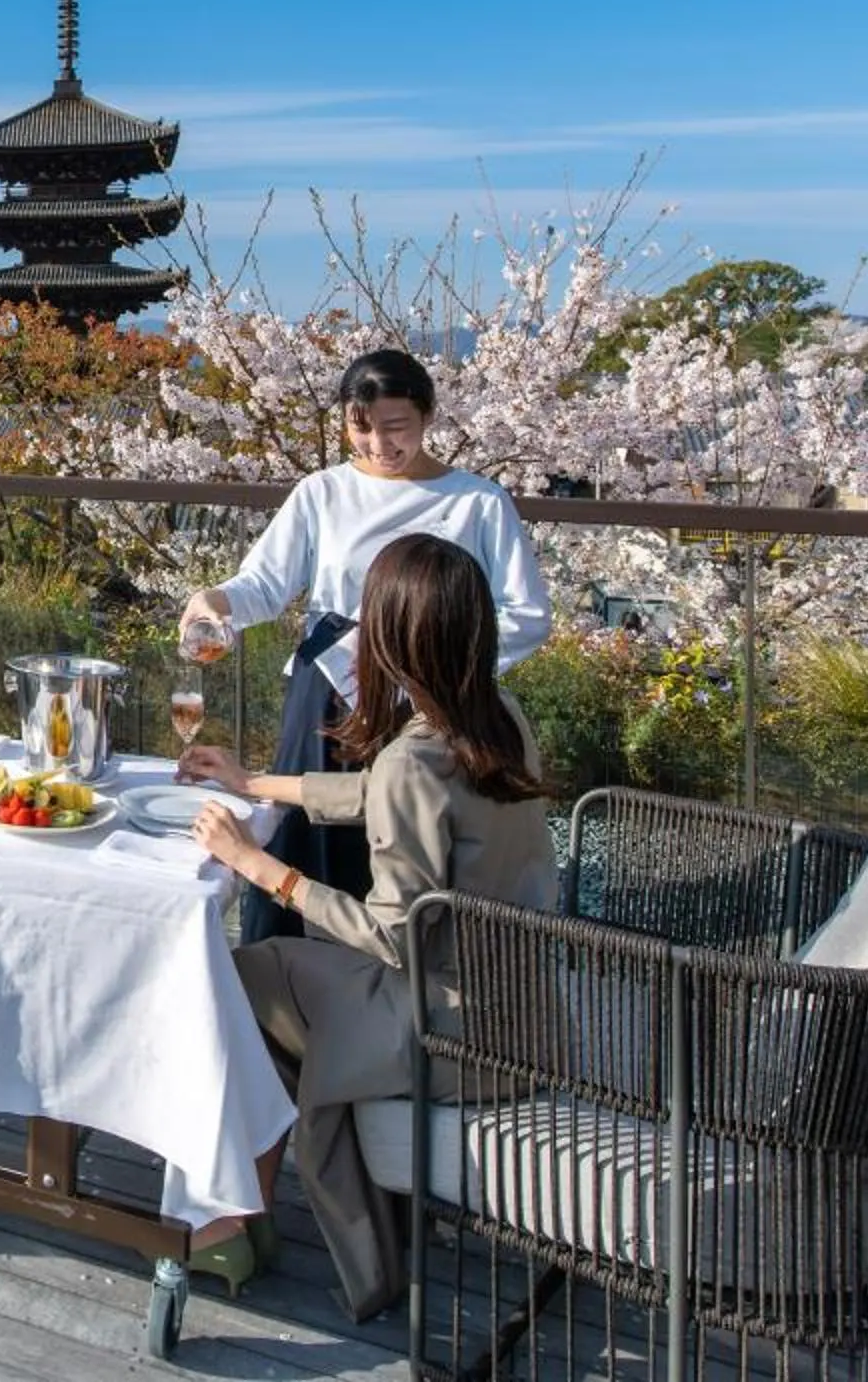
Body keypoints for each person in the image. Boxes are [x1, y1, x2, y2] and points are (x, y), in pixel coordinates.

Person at [175, 533, 559, 1317]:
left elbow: (393, 935)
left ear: (390, 637)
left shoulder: (411, 763)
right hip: (524, 1007)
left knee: (237, 976)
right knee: (283, 979)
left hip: (447, 1034)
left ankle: (238, 1210)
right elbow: (371, 798)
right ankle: (258, 1201)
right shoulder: (498, 718)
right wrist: (256, 781)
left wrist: (258, 867)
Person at [177, 347, 549, 937]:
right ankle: (286, 967)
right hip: (328, 689)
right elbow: (266, 584)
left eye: (395, 428)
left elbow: (527, 615)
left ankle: (392, 981)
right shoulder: (323, 492)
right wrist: (216, 600)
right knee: (306, 830)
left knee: (405, 841)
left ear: (428, 417)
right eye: (361, 428)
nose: (378, 444)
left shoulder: (477, 502)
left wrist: (442, 667)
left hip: (430, 705)